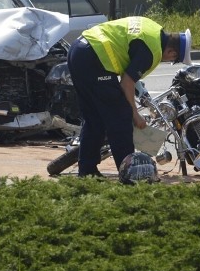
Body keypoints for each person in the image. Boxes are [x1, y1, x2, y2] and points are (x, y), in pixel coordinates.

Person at [67, 16, 191, 177]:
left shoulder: (151, 28)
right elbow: (126, 83)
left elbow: (129, 73)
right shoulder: (152, 51)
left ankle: (87, 172)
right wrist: (135, 114)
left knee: (94, 119)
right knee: (121, 116)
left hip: (78, 50)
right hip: (95, 59)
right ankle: (129, 174)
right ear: (171, 52)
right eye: (172, 60)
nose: (167, 60)